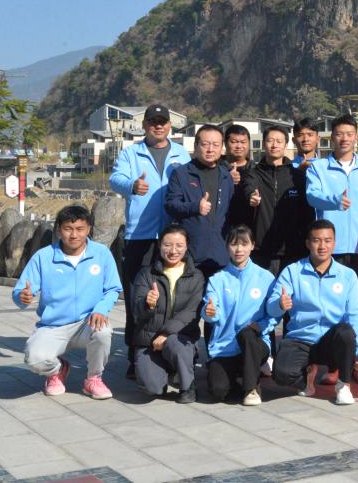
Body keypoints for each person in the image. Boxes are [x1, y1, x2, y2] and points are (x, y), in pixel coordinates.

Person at [109, 103, 190, 379]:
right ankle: (136, 355)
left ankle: (170, 353)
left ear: (170, 125)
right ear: (144, 125)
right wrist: (132, 185)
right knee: (138, 298)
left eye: (162, 121)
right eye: (153, 121)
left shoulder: (181, 153)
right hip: (140, 236)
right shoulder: (131, 153)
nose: (158, 125)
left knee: (172, 298)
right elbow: (115, 179)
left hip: (173, 237)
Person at [13, 205, 121, 399]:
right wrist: (22, 296)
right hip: (53, 325)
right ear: (58, 229)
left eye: (80, 229)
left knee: (103, 332)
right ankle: (57, 370)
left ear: (89, 229)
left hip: (87, 322)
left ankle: (93, 379)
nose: (74, 235)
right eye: (67, 229)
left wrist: (101, 309)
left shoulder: (102, 253)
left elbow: (112, 288)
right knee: (34, 359)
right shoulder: (43, 257)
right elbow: (21, 290)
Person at [267, 220, 358, 406]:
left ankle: (344, 385)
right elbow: (271, 309)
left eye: (327, 241)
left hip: (331, 341)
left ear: (334, 243)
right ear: (307, 243)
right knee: (281, 375)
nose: (322, 246)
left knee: (346, 332)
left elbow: (354, 314)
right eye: (316, 240)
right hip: (301, 338)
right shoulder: (292, 271)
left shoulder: (348, 275)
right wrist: (279, 304)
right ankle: (307, 377)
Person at [306, 114, 358, 333]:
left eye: (349, 134)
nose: (344, 138)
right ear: (331, 137)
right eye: (339, 134)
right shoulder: (318, 167)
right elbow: (312, 196)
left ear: (356, 137)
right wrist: (335, 201)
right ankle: (331, 351)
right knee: (331, 302)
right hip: (330, 248)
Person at [202, 225, 277, 406]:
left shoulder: (265, 277)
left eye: (244, 244)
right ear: (227, 246)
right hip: (225, 346)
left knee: (247, 334)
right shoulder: (217, 279)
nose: (239, 249)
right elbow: (210, 310)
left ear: (252, 245)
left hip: (255, 343)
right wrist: (209, 312)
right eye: (234, 244)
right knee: (218, 391)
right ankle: (240, 378)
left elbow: (274, 315)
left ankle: (251, 388)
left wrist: (261, 326)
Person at [131, 224, 205, 403]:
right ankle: (170, 370)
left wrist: (165, 334)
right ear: (159, 245)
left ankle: (188, 387)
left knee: (175, 343)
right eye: (167, 245)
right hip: (149, 341)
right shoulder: (146, 274)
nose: (173, 251)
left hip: (180, 338)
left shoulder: (196, 276)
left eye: (179, 245)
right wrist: (147, 304)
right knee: (152, 388)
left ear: (186, 247)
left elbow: (191, 312)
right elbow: (136, 312)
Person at [164, 125, 234, 279]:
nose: (210, 149)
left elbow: (231, 213)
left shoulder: (226, 176)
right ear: (196, 146)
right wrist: (195, 207)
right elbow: (170, 206)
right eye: (205, 144)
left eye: (216, 145)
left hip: (220, 255)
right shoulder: (181, 174)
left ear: (222, 148)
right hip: (191, 255)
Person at [241, 126, 307, 275]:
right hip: (261, 250)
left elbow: (306, 213)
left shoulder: (297, 176)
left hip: (292, 250)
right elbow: (248, 187)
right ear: (263, 144)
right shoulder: (253, 173)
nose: (274, 145)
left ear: (286, 145)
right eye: (270, 140)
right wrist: (251, 196)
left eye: (279, 141)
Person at [288, 117, 319, 252]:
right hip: (294, 233)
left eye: (310, 134)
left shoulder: (326, 167)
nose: (305, 139)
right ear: (294, 140)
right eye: (300, 135)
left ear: (318, 138)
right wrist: (298, 173)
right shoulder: (286, 168)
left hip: (321, 231)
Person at [223, 124, 256, 230]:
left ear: (249, 143)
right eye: (234, 142)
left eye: (243, 142)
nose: (239, 146)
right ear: (225, 143)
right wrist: (225, 178)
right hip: (221, 227)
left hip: (249, 229)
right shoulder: (215, 168)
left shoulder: (257, 170)